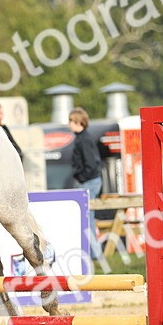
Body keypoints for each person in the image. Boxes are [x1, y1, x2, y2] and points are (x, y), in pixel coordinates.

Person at [68, 107, 103, 259]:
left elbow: (90, 164)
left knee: (87, 218)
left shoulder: (84, 139)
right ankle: (93, 252)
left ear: (78, 121)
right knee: (86, 217)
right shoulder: (82, 138)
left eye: (71, 120)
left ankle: (95, 253)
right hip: (88, 181)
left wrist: (81, 178)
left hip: (89, 181)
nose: (69, 124)